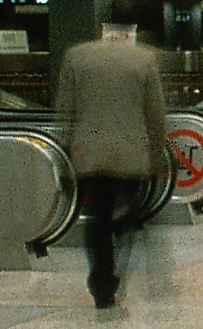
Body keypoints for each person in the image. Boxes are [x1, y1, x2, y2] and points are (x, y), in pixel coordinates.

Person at [52, 23, 171, 313]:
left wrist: (63, 153)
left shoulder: (76, 57)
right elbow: (155, 115)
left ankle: (102, 283)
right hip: (132, 154)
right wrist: (158, 157)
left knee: (97, 218)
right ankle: (120, 247)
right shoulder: (144, 60)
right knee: (131, 214)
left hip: (89, 153)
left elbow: (65, 110)